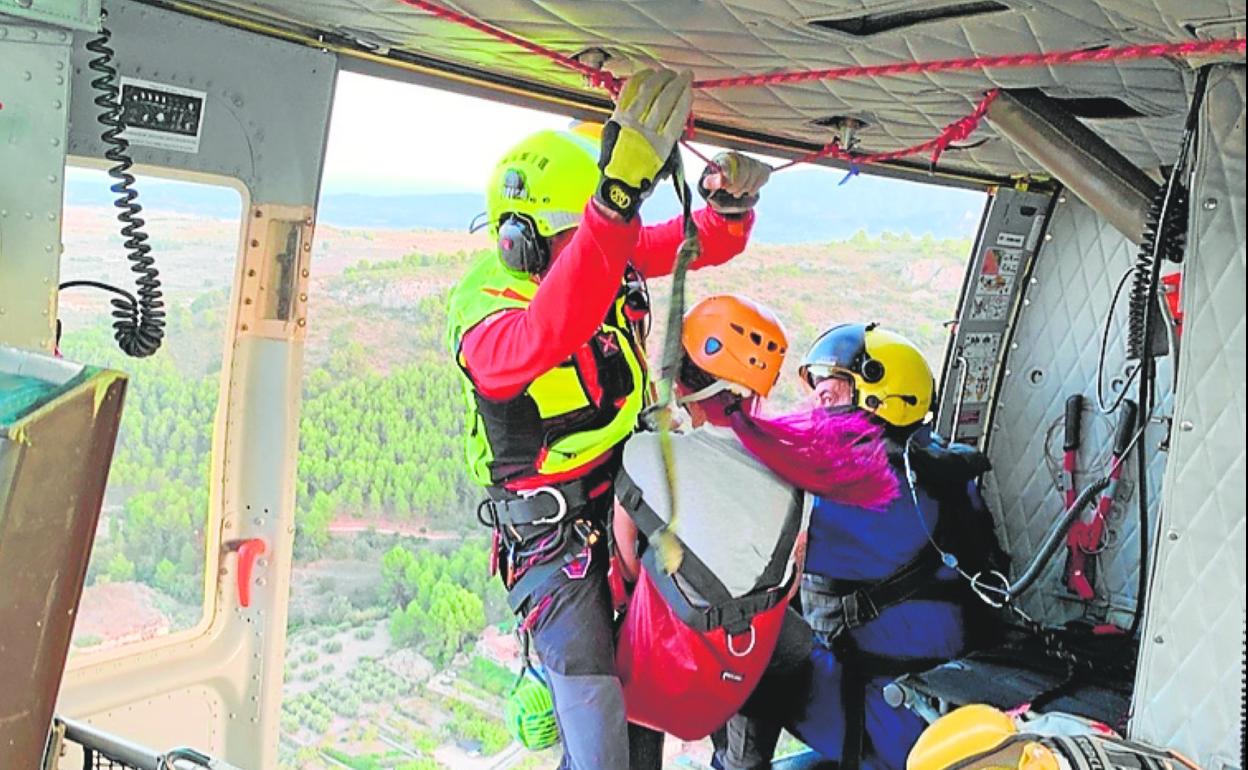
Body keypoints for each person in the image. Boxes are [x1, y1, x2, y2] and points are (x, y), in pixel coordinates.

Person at [445, 67, 773, 770]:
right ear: (520, 241)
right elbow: (543, 336)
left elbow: (698, 242)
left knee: (675, 678)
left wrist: (730, 204)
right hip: (552, 545)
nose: (598, 249)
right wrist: (613, 206)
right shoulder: (486, 310)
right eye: (581, 232)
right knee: (599, 740)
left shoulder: (601, 253)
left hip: (627, 505)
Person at [612, 296, 902, 766]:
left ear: (684, 381)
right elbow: (790, 577)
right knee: (776, 633)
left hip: (666, 679)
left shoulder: (647, 456)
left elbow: (625, 563)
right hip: (743, 670)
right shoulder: (792, 473)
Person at [716, 323, 1005, 770]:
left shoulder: (865, 489)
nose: (814, 408)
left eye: (828, 397)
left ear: (877, 398)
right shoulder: (933, 465)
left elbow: (748, 545)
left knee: (743, 639)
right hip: (939, 702)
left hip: (886, 717)